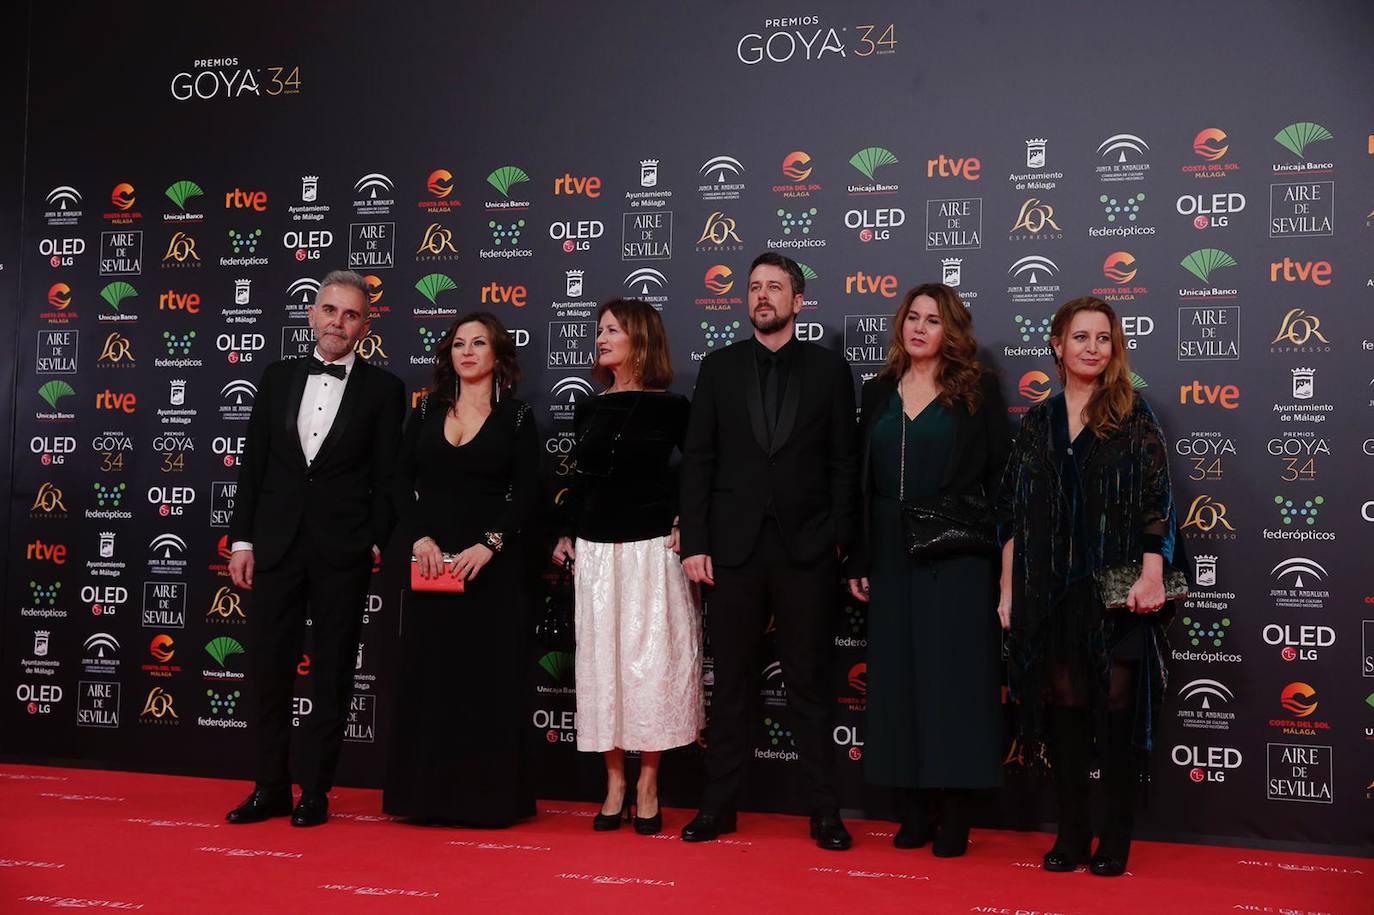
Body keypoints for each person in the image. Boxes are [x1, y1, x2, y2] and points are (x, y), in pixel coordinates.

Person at [679, 251, 858, 850]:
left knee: (808, 684)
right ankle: (718, 806)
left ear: (798, 301)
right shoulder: (718, 367)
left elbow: (843, 464)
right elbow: (699, 460)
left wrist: (837, 537)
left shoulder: (831, 372)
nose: (762, 296)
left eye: (774, 287)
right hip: (731, 550)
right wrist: (696, 542)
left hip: (806, 549)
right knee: (730, 684)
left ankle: (824, 812)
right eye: (754, 287)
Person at [996, 296, 1180, 876]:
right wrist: (1008, 591)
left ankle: (1116, 839)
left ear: (1114, 348)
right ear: (1057, 345)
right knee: (1066, 717)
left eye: (1103, 338)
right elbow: (1013, 517)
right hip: (1051, 594)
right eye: (1081, 337)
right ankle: (1072, 835)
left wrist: (1153, 573)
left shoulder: (1133, 414)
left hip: (1116, 593)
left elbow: (1158, 504)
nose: (1092, 348)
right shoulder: (1037, 422)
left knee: (1119, 716)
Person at [225, 269, 404, 827]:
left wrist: (374, 540)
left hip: (341, 551)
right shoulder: (275, 378)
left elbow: (388, 479)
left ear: (365, 326)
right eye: (330, 310)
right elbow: (253, 466)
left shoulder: (385, 390)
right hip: (275, 546)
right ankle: (269, 788)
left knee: (332, 676)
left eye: (351, 315)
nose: (338, 323)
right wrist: (243, 540)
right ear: (312, 313)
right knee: (269, 672)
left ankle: (316, 793)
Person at [846, 284, 1009, 857]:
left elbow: (999, 480)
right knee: (898, 680)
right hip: (890, 553)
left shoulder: (977, 391)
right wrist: (860, 555)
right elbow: (861, 484)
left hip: (956, 551)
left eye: (932, 320)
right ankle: (913, 807)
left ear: (951, 332)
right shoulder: (878, 390)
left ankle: (957, 811)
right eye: (911, 318)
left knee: (955, 682)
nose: (918, 328)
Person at [552, 298, 702, 836]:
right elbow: (584, 481)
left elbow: (695, 475)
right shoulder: (588, 407)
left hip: (651, 548)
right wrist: (567, 531)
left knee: (652, 665)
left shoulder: (673, 407)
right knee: (602, 666)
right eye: (599, 330)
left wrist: (688, 523)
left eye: (611, 330)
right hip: (594, 552)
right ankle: (614, 781)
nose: (600, 338)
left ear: (640, 339)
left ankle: (648, 783)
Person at [382, 312, 539, 827]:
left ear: (498, 355)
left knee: (485, 682)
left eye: (478, 343)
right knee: (432, 679)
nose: (467, 352)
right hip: (431, 565)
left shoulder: (516, 419)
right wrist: (420, 537)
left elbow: (529, 494)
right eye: (457, 344)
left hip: (490, 570)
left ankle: (486, 801)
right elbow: (400, 483)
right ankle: (423, 799)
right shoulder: (425, 411)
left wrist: (489, 544)